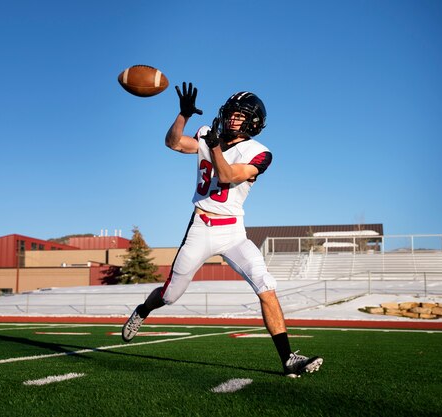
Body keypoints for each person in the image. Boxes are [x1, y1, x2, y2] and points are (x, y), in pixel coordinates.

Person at [121, 82, 323, 378]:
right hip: (201, 226)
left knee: (266, 285)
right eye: (230, 113)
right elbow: (173, 143)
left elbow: (227, 175)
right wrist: (183, 116)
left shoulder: (259, 153)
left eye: (238, 116)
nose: (231, 119)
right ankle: (143, 310)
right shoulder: (207, 135)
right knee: (169, 296)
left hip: (233, 233)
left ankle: (288, 359)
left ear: (253, 122)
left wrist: (213, 144)